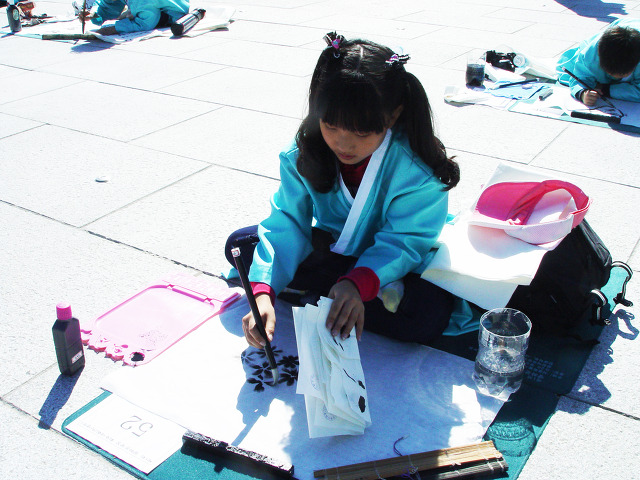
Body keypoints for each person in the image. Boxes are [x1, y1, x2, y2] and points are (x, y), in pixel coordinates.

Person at [225, 32, 460, 350]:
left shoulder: (418, 169)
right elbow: (287, 221)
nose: (343, 143)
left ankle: (335, 295)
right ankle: (338, 299)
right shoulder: (303, 152)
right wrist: (262, 292)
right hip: (334, 248)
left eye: (361, 131)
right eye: (331, 125)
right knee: (240, 246)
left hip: (389, 265)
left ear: (393, 115)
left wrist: (358, 282)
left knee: (427, 314)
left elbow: (406, 240)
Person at [556, 18, 640, 105]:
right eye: (610, 73)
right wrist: (582, 93)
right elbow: (580, 76)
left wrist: (605, 89)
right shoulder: (590, 54)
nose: (616, 78)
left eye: (623, 74)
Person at [79, 0, 189, 35]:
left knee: (134, 16)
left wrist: (115, 28)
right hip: (148, 8)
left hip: (172, 13)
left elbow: (145, 24)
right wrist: (94, 14)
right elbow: (107, 7)